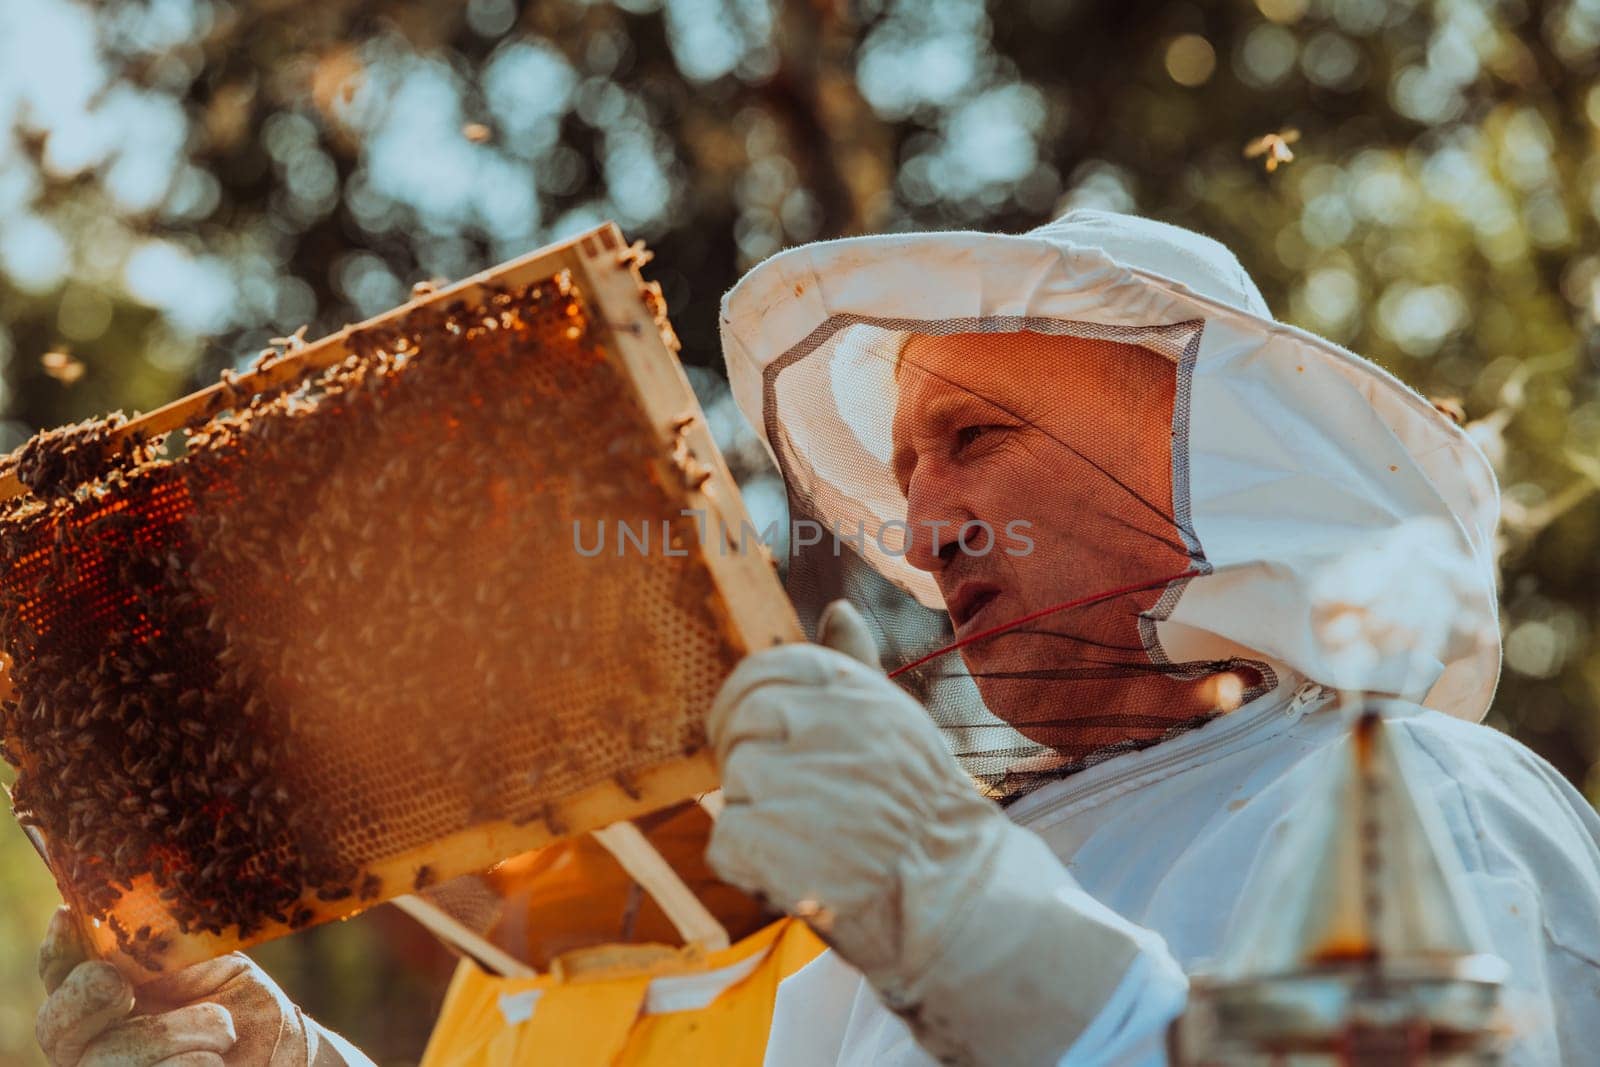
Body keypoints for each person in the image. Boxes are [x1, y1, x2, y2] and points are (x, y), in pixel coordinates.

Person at [33, 211, 1600, 1066]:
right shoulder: (868, 945)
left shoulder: (1423, 796)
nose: (920, 529)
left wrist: (993, 943)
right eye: (906, 473)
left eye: (975, 438)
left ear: (1215, 461)